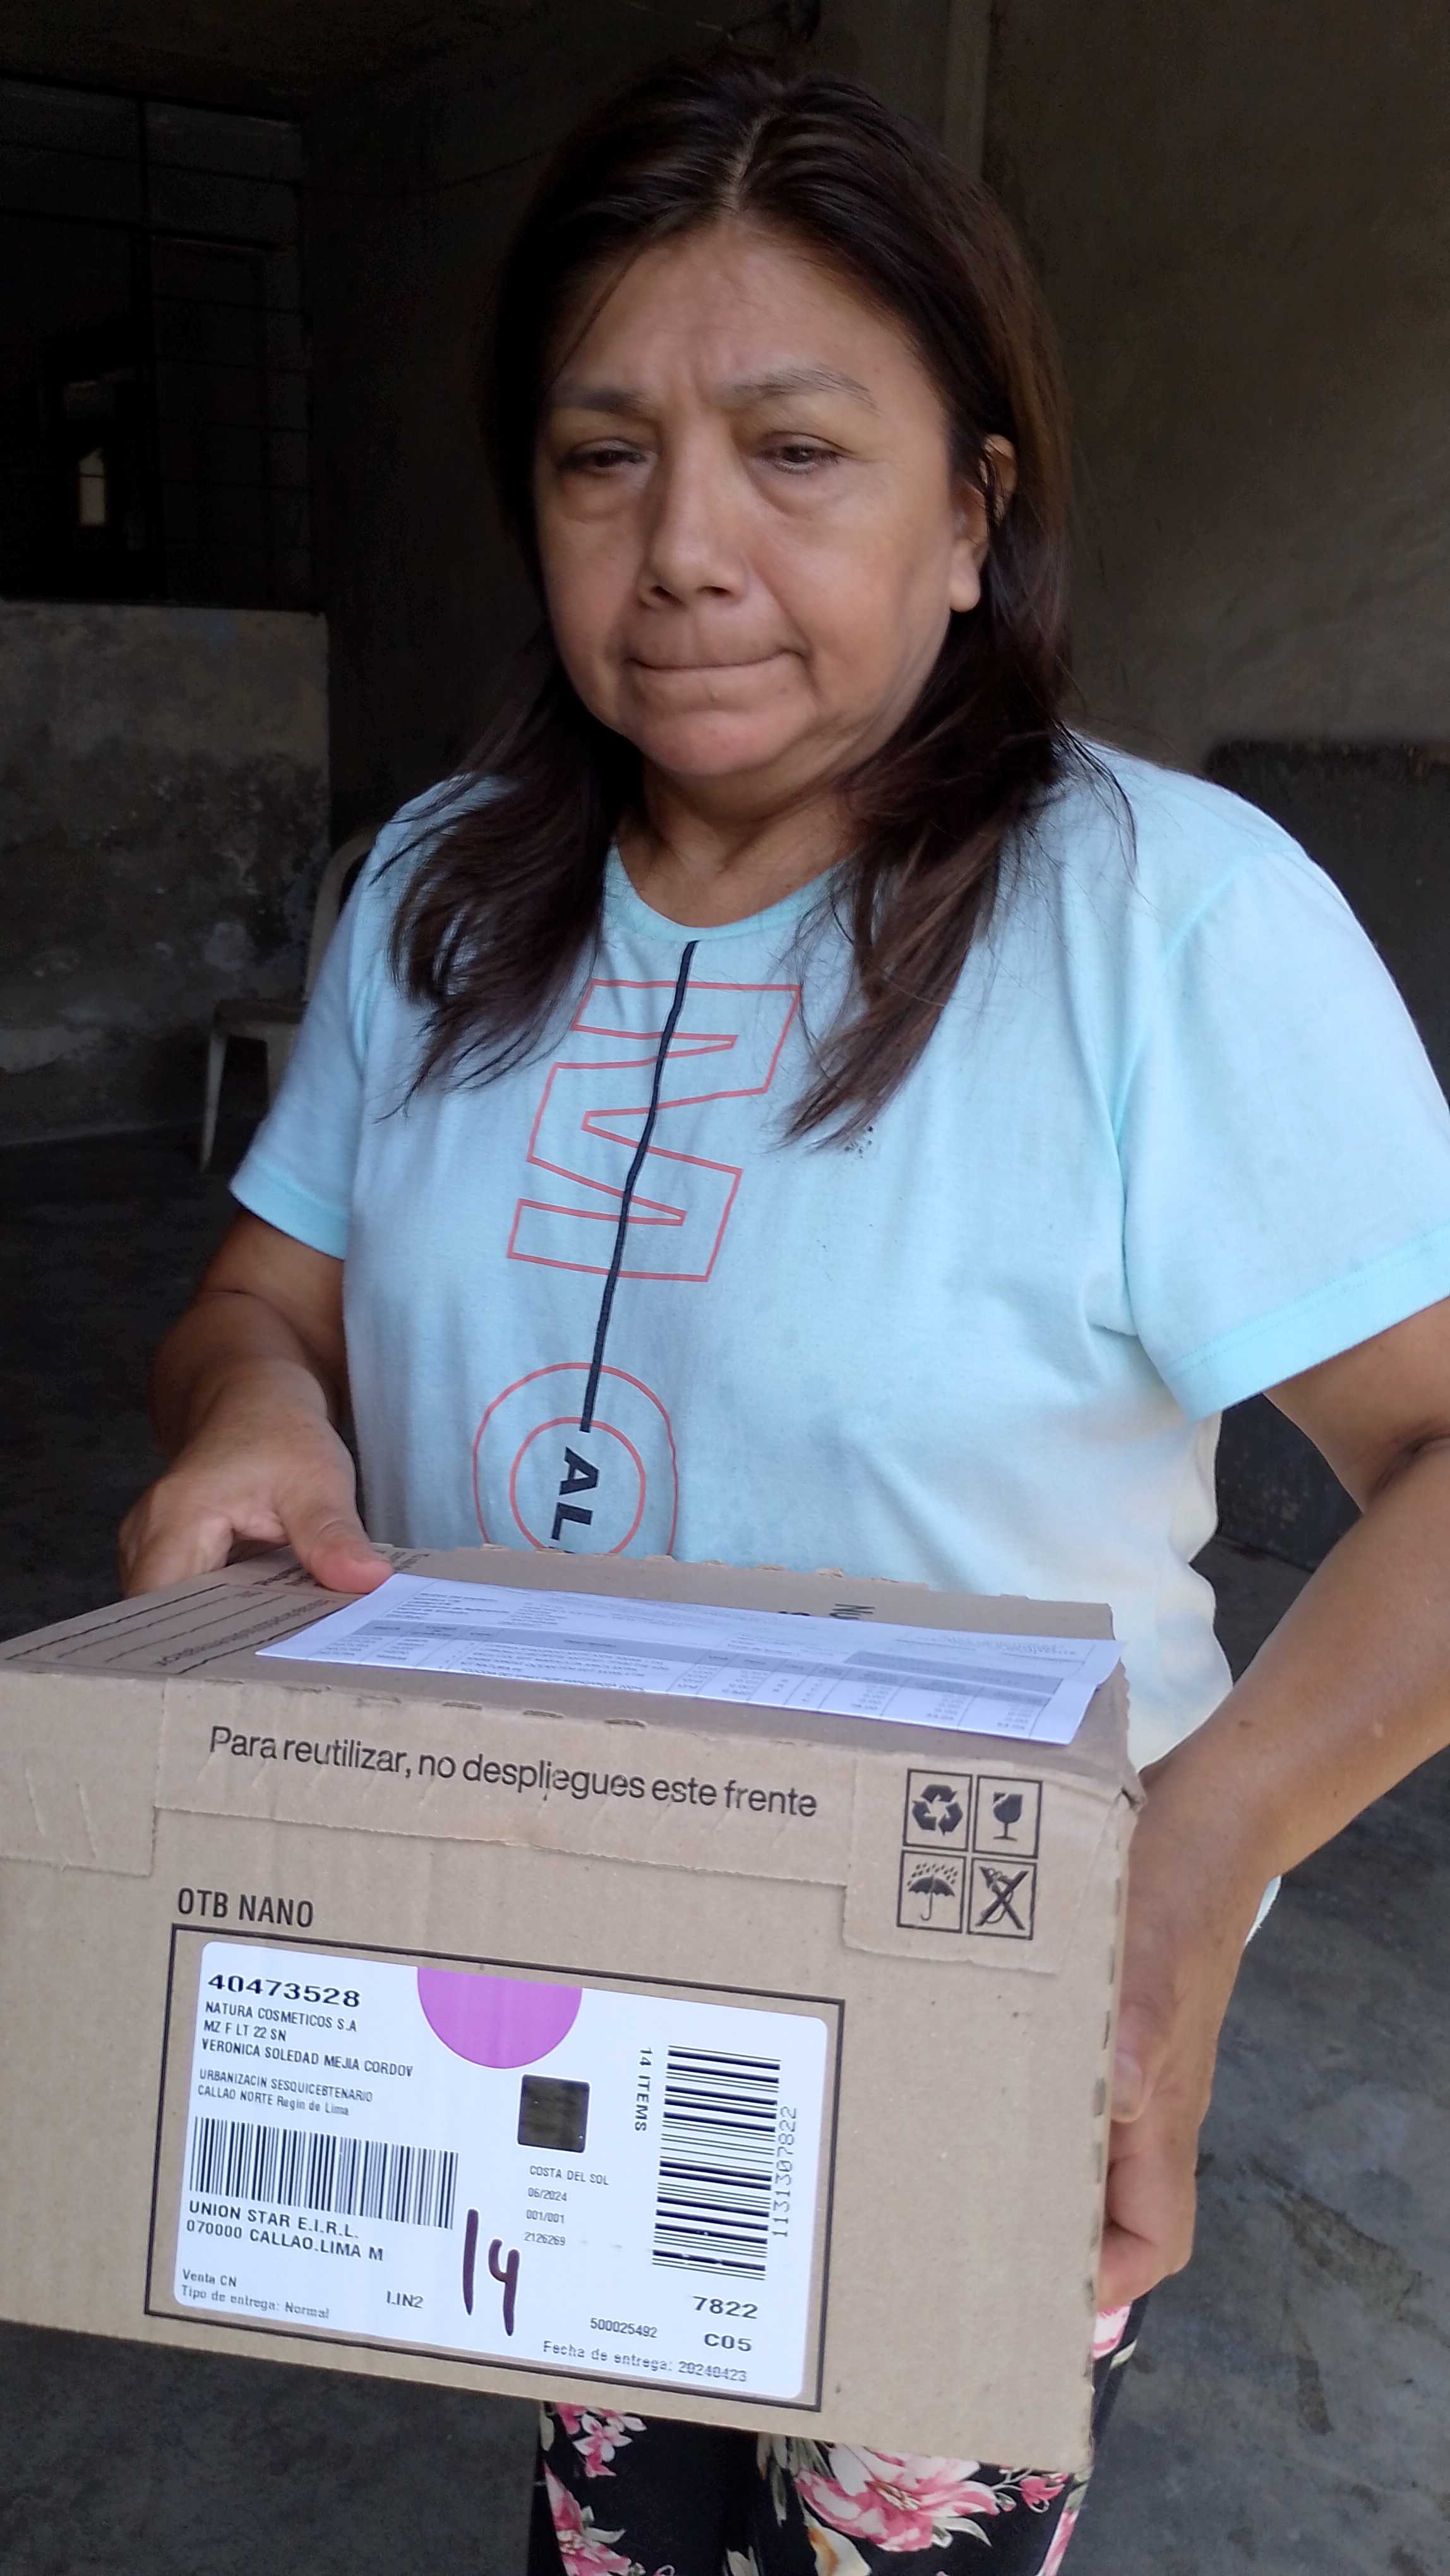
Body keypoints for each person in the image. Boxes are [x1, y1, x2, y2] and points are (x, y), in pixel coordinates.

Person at [121, 57, 1450, 2576]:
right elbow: (255, 1299)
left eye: (796, 452)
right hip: (526, 1970)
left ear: (973, 511)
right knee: (607, 2528)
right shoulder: (432, 898)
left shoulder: (1160, 921)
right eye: (601, 457)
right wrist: (256, 1409)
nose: (683, 553)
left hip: (985, 2014)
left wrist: (1188, 1872)